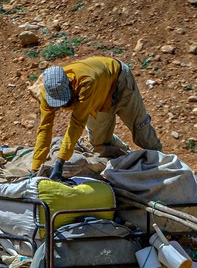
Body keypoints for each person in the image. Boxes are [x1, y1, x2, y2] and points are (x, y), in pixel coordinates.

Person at [32, 56, 163, 179]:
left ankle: (163, 163)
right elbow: (45, 128)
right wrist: (36, 167)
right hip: (99, 97)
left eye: (65, 100)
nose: (63, 105)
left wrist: (60, 162)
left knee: (141, 128)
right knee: (98, 144)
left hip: (119, 82)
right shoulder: (47, 94)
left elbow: (76, 124)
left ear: (70, 84)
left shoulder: (86, 82)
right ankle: (124, 152)